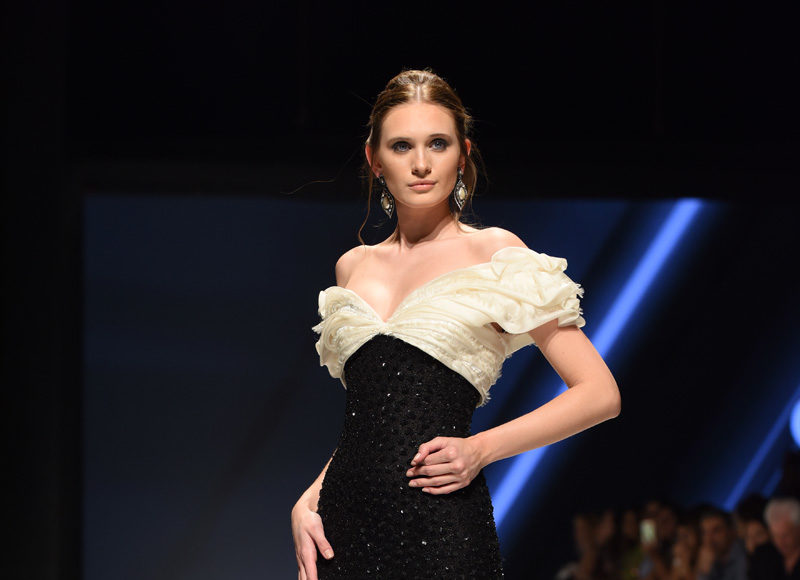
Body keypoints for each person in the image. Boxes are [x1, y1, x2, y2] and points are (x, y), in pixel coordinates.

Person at [290, 68, 621, 579]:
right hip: (342, 529)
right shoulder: (352, 267)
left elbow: (600, 393)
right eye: (402, 146)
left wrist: (480, 449)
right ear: (374, 159)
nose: (421, 163)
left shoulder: (496, 255)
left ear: (463, 154)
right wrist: (309, 499)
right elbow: (373, 418)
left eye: (438, 144)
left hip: (442, 525)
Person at [749, 497, 800, 579]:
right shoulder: (763, 557)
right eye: (775, 536)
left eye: (785, 535)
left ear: (798, 529)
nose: (780, 542)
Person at [695, 506, 748, 580]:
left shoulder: (744, 555)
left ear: (730, 531)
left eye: (716, 531)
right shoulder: (710, 560)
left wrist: (704, 573)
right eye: (705, 533)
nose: (709, 539)